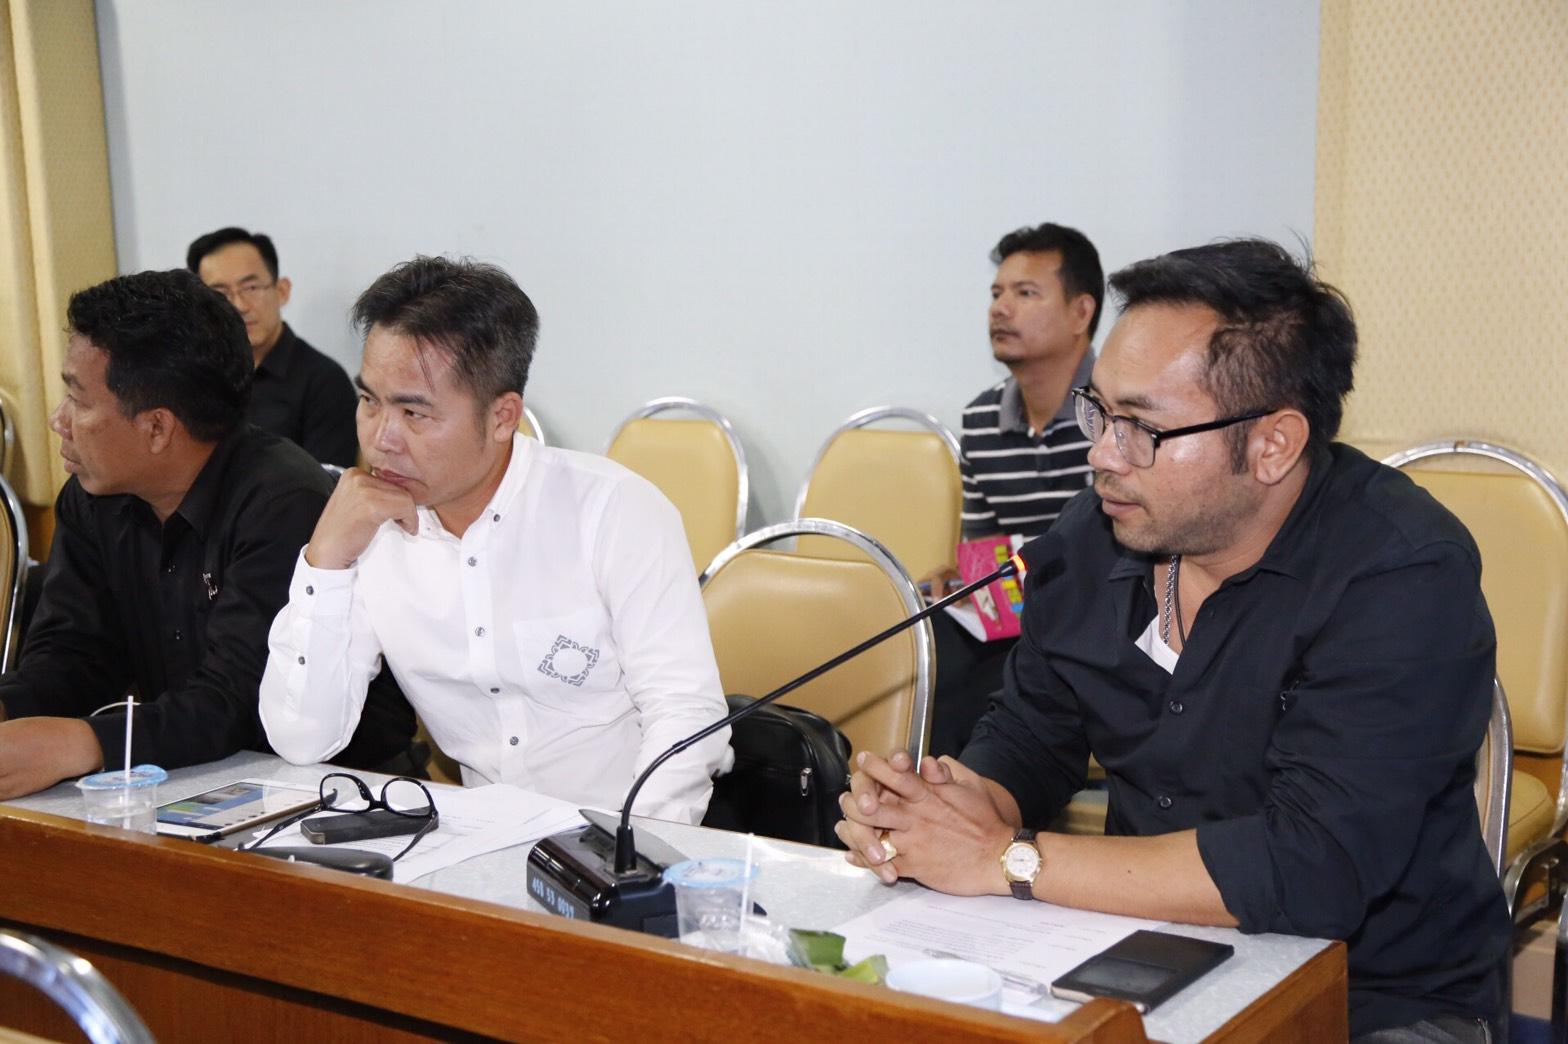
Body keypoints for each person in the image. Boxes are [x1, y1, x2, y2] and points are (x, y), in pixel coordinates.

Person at [839, 239, 1509, 1041]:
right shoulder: (1097, 535)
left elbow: (1311, 865)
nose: (1101, 454)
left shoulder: (1401, 572)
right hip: (1140, 955)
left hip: (1371, 996)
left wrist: (1003, 857)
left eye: (1140, 428)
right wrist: (954, 807)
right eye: (1099, 412)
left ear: (1272, 444)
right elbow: (1032, 735)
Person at [258, 257, 732, 824]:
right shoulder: (367, 530)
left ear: (503, 416)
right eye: (369, 401)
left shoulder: (614, 511)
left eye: (413, 412)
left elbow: (687, 716)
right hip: (477, 841)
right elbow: (302, 739)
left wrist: (630, 852)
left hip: (621, 834)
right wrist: (326, 563)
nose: (382, 438)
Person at [0, 269, 415, 799]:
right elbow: (73, 655)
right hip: (184, 775)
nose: (59, 420)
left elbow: (235, 705)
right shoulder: (94, 498)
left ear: (157, 427)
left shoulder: (283, 503)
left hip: (342, 792)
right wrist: (10, 708)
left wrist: (84, 743)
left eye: (79, 401)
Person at [925, 222, 1103, 756]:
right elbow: (988, 554)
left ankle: (969, 791)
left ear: (1081, 313)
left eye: (1025, 294)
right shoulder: (981, 419)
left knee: (991, 686)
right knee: (928, 640)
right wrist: (964, 581)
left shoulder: (1117, 414)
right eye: (997, 293)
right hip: (1016, 619)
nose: (1000, 309)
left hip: (1096, 620)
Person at [188, 227, 358, 467]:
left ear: (281, 291)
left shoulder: (324, 381)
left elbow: (327, 483)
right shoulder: (196, 377)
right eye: (220, 294)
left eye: (251, 288)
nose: (239, 306)